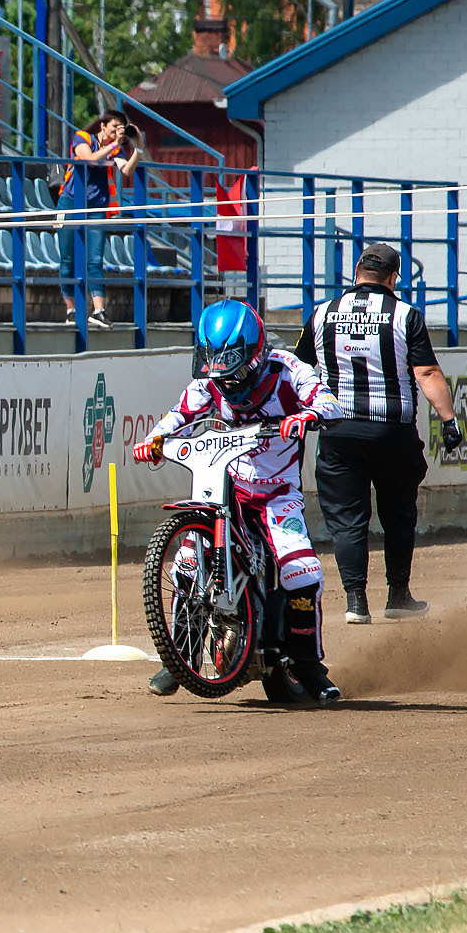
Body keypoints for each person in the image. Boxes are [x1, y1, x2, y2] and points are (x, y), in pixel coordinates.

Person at [134, 299, 347, 704]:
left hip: (277, 493)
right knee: (187, 560)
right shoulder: (209, 381)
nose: (225, 381)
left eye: (232, 368)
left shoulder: (288, 370)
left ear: (255, 353)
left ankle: (307, 663)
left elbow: (328, 402)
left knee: (300, 570)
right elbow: (179, 413)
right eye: (215, 366)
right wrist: (155, 439)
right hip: (226, 485)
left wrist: (308, 415)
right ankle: (180, 657)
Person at [293, 241, 465, 625]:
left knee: (347, 520)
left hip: (338, 430)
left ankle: (355, 601)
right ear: (392, 278)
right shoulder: (405, 315)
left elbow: (297, 371)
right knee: (399, 514)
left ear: (356, 273)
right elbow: (427, 372)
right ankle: (398, 595)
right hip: (392, 433)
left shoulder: (322, 314)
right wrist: (449, 419)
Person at [57, 111, 135, 326]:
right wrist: (114, 144)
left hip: (96, 206)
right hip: (70, 202)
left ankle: (98, 310)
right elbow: (89, 159)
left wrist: (138, 148)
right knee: (67, 258)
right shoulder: (82, 137)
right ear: (103, 126)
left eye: (121, 128)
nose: (117, 132)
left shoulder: (116, 149)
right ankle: (71, 310)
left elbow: (127, 169)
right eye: (114, 127)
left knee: (94, 259)